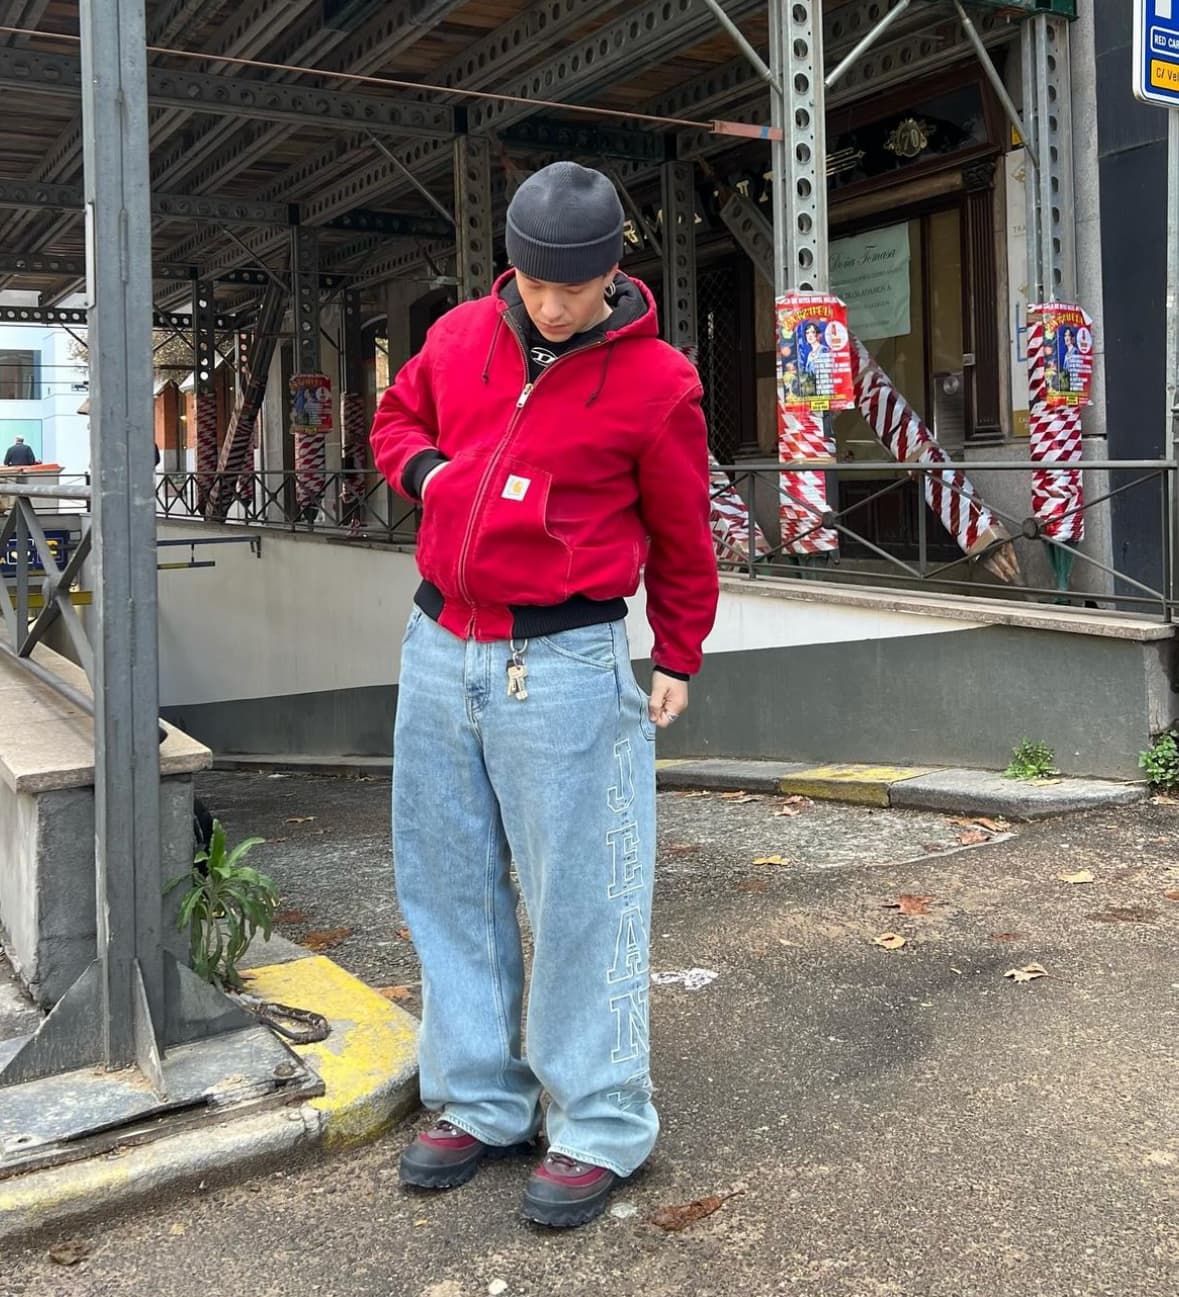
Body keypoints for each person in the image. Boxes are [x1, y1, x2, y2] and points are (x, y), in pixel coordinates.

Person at [370, 160, 719, 1229]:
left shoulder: (658, 383)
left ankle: (603, 1119)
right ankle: (479, 1097)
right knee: (447, 878)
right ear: (509, 266)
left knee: (585, 897)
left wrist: (678, 653)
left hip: (565, 658)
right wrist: (429, 478)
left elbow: (681, 533)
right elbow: (395, 423)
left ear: (616, 268)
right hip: (439, 643)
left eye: (572, 286)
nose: (552, 305)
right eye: (533, 283)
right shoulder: (459, 338)